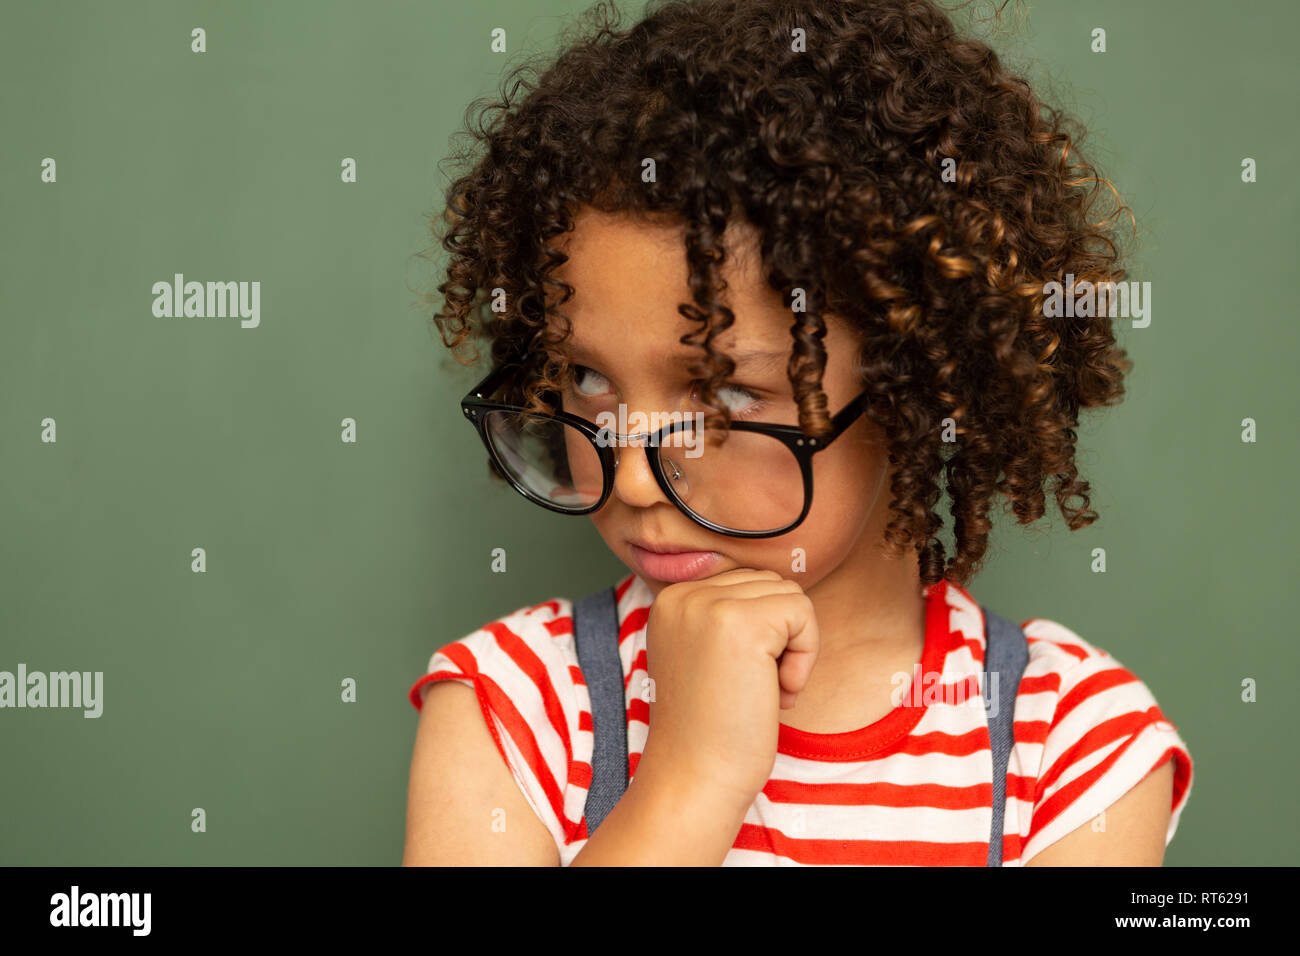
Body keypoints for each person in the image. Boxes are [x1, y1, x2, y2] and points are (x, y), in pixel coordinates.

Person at [402, 0, 1192, 865]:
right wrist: (691, 779)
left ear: (917, 389)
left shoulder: (1074, 745)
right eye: (588, 380)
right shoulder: (512, 704)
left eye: (728, 396)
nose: (630, 479)